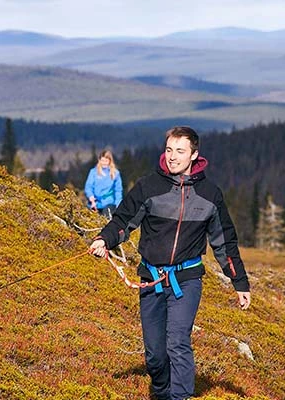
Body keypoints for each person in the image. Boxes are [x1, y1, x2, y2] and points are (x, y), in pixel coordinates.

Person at [89, 126, 251, 400]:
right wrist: (104, 239)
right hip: (151, 278)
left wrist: (240, 282)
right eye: (169, 150)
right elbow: (122, 220)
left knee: (177, 340)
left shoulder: (210, 195)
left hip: (186, 281)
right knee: (154, 355)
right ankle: (163, 393)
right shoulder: (149, 186)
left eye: (180, 151)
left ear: (194, 155)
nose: (173, 156)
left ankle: (180, 397)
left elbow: (225, 242)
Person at [84, 149, 123, 219]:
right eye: (102, 161)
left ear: (110, 161)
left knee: (106, 219)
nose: (104, 163)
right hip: (95, 203)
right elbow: (88, 186)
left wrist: (118, 205)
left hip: (109, 203)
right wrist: (90, 197)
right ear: (99, 160)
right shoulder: (93, 172)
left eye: (106, 161)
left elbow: (118, 190)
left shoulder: (115, 173)